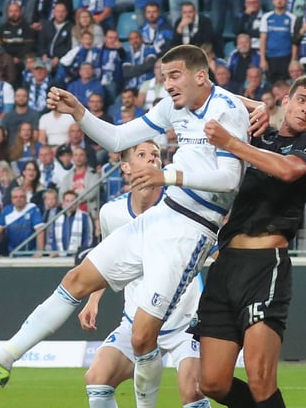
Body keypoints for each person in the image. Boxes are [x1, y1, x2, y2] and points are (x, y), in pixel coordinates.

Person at [0, 45, 252, 408]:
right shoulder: (174, 106)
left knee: (143, 339)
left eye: (175, 75)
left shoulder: (227, 110)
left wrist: (166, 174)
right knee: (76, 280)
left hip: (191, 231)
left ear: (200, 75)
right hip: (163, 215)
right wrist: (80, 113)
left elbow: (229, 180)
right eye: (164, 76)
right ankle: (3, 358)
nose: (167, 84)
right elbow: (120, 139)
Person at [196, 75, 306, 408]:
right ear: (285, 102)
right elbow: (215, 95)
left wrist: (232, 143)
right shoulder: (258, 135)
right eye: (301, 100)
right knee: (212, 383)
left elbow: (287, 170)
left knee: (259, 377)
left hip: (264, 266)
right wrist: (256, 104)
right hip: (225, 265)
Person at [80, 140, 211, 408]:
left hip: (185, 322)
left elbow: (217, 251)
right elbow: (108, 260)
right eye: (142, 154)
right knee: (96, 378)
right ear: (126, 167)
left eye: (156, 155)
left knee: (193, 392)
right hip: (135, 319)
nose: (151, 159)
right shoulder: (112, 213)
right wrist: (93, 300)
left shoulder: (183, 205)